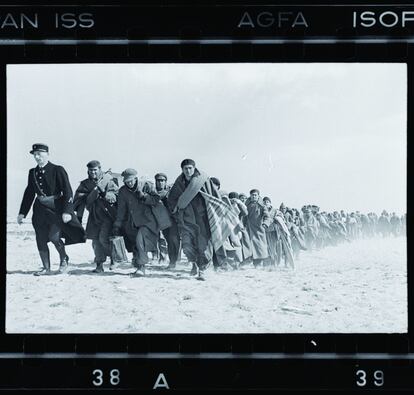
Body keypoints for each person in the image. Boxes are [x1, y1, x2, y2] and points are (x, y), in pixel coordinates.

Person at [17, 143, 85, 275]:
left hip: (56, 210)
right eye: (35, 155)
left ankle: (64, 258)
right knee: (40, 239)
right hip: (39, 211)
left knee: (54, 237)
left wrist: (67, 211)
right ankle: (46, 268)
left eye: (40, 154)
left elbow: (67, 191)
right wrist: (22, 213)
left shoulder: (57, 170)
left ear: (47, 154)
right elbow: (29, 193)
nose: (37, 157)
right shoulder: (32, 172)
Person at [168, 159, 239, 280]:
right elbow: (172, 199)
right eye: (185, 168)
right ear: (182, 170)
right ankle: (194, 263)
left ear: (194, 168)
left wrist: (217, 211)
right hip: (187, 220)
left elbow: (214, 195)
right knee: (187, 246)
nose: (188, 170)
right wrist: (177, 210)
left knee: (204, 246)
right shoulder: (179, 183)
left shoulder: (203, 180)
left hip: (203, 218)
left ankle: (202, 270)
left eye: (190, 168)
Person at [112, 168, 161, 276]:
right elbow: (121, 210)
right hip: (132, 222)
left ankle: (142, 267)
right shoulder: (123, 191)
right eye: (126, 181)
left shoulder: (146, 185)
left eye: (131, 181)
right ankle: (139, 265)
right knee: (135, 244)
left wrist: (144, 196)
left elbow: (156, 199)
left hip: (147, 221)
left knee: (140, 241)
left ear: (136, 178)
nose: (129, 183)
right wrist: (117, 224)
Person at [74, 160, 119, 273]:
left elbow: (117, 194)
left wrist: (108, 195)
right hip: (93, 215)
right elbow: (78, 197)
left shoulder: (108, 180)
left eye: (95, 170)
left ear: (99, 169)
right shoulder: (85, 183)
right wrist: (90, 194)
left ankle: (114, 258)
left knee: (103, 239)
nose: (93, 172)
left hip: (107, 214)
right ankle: (99, 265)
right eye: (90, 170)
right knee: (95, 241)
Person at [154, 172, 180, 269]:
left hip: (173, 220)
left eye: (162, 181)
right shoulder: (154, 193)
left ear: (165, 182)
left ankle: (173, 261)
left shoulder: (170, 192)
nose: (160, 183)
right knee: (169, 240)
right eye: (158, 181)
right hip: (162, 221)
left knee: (174, 240)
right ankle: (171, 261)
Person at [245, 189, 271, 268]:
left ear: (258, 196)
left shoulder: (262, 206)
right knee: (249, 246)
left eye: (255, 195)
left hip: (259, 229)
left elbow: (267, 216)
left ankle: (261, 263)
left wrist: (265, 224)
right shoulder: (247, 205)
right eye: (252, 195)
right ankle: (253, 263)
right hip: (249, 229)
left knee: (260, 247)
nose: (254, 196)